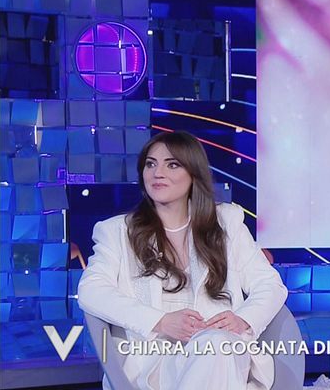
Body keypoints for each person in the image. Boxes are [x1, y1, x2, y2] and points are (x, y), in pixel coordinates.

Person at [78, 131, 287, 390]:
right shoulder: (118, 231)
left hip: (224, 354)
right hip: (156, 364)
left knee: (215, 344)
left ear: (193, 173)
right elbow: (91, 290)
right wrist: (160, 321)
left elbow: (270, 285)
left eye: (172, 164)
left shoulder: (226, 223)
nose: (158, 173)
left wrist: (243, 319)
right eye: (151, 164)